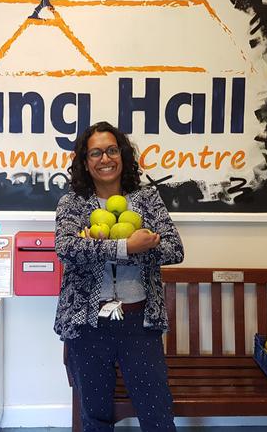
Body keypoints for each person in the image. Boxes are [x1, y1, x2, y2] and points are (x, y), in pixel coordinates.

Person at [54, 121, 184, 431]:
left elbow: (175, 249)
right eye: (95, 152)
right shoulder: (72, 203)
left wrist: (109, 245)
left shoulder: (146, 199)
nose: (105, 159)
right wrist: (126, 246)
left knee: (157, 414)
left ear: (122, 155)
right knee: (96, 414)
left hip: (138, 320)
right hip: (88, 321)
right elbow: (67, 248)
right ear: (85, 161)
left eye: (112, 150)